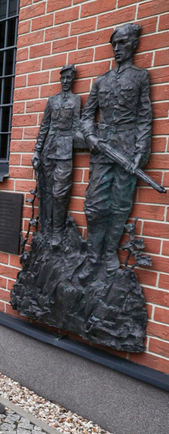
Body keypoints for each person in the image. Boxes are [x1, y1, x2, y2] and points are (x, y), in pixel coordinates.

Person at [80, 23, 152, 276]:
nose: (117, 48)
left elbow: (145, 116)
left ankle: (110, 252)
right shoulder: (101, 81)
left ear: (133, 44)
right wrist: (90, 135)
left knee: (120, 204)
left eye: (122, 43)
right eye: (114, 44)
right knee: (94, 205)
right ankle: (92, 257)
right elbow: (87, 116)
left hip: (127, 151)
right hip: (102, 150)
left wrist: (141, 151)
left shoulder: (140, 77)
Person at [32, 65, 82, 248]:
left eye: (70, 78)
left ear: (73, 79)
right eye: (64, 78)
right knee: (46, 192)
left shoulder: (77, 101)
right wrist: (37, 151)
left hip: (65, 152)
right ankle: (46, 228)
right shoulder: (52, 101)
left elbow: (77, 126)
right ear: (60, 79)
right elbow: (44, 126)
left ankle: (57, 231)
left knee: (59, 193)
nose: (67, 81)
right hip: (48, 151)